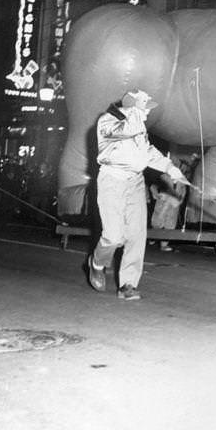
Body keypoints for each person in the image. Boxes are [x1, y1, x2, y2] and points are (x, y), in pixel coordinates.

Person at [86, 89, 188, 300]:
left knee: (136, 234)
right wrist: (135, 111)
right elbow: (125, 130)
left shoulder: (138, 126)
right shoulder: (107, 121)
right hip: (112, 181)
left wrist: (170, 167)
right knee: (113, 236)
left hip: (135, 183)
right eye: (145, 108)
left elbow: (147, 151)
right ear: (131, 106)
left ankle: (128, 284)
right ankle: (96, 262)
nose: (148, 114)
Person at [149, 172, 184, 252]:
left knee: (170, 224)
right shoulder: (163, 176)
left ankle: (164, 245)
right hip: (163, 201)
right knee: (157, 222)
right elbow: (152, 186)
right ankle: (152, 236)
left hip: (174, 203)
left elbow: (183, 190)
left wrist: (181, 199)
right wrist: (156, 194)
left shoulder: (181, 178)